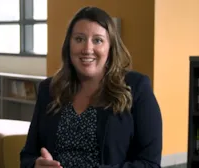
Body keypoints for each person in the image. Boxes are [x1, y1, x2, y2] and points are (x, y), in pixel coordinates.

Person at [20, 6, 162, 168]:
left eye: (98, 40)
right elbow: (27, 155)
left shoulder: (136, 87)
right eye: (79, 39)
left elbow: (150, 163)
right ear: (69, 45)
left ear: (110, 47)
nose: (87, 49)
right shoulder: (49, 89)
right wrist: (35, 165)